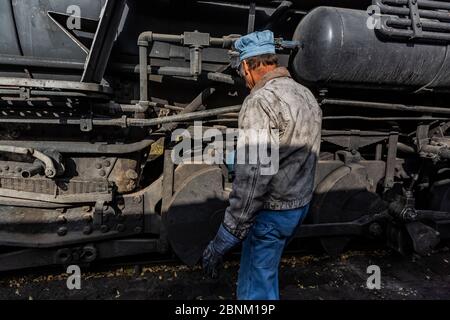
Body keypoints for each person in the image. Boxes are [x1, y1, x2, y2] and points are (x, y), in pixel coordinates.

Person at [202, 30, 322, 300]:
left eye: (242, 73)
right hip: (298, 206)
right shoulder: (306, 95)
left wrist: (227, 234)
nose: (245, 81)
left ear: (247, 65)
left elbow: (254, 178)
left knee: (256, 291)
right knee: (264, 272)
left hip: (272, 213)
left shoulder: (260, 101)